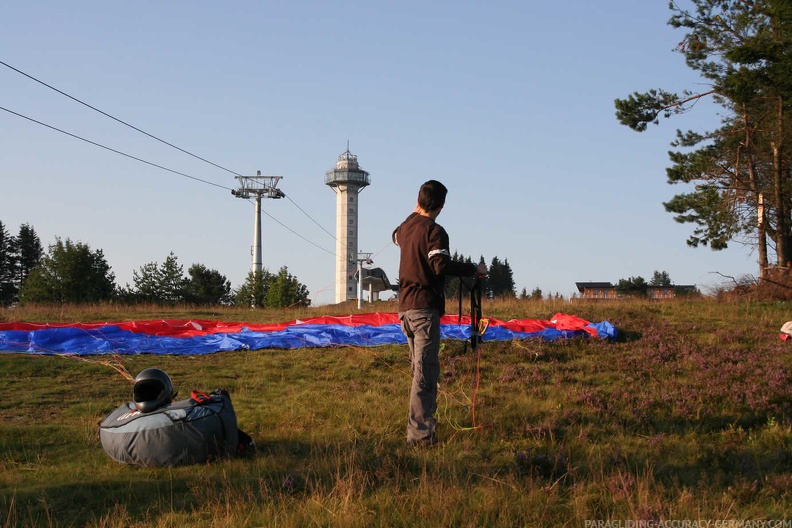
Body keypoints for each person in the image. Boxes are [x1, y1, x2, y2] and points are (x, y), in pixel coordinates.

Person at [392, 180, 487, 446]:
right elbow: (439, 264)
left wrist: (413, 214)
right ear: (442, 206)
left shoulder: (405, 228)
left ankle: (419, 431)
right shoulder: (435, 231)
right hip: (424, 310)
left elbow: (395, 235)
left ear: (419, 200)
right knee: (425, 374)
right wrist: (474, 270)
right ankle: (421, 438)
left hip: (405, 310)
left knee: (418, 371)